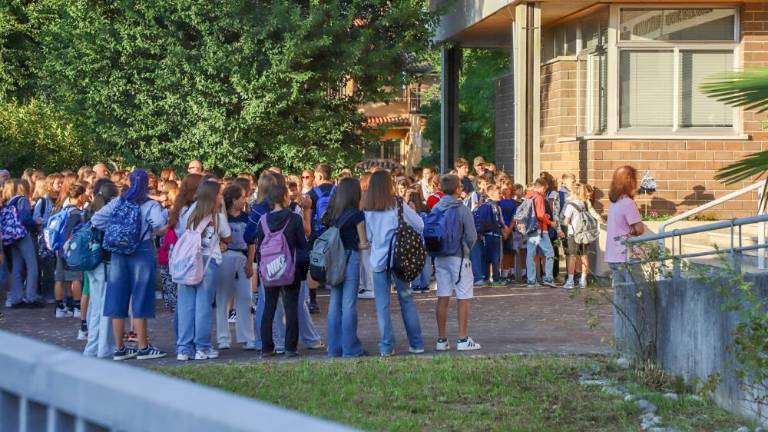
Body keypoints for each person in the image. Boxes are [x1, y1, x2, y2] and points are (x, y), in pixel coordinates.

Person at [91, 169, 167, 361]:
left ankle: (120, 348)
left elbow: (96, 219)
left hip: (118, 252)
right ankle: (143, 347)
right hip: (142, 251)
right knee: (141, 297)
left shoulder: (119, 201)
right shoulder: (150, 204)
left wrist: (116, 232)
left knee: (117, 297)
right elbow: (159, 227)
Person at [362, 170, 424, 357]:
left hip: (378, 261)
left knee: (382, 305)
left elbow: (370, 237)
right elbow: (420, 224)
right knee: (406, 299)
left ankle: (386, 346)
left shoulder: (368, 209)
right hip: (400, 258)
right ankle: (416, 343)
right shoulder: (398, 204)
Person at [174, 180, 231, 361]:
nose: (222, 196)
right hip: (207, 263)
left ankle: (184, 348)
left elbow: (182, 232)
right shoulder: (217, 217)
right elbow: (228, 237)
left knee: (185, 306)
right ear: (214, 197)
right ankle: (202, 347)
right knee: (203, 307)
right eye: (220, 194)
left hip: (186, 263)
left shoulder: (189, 212)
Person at [255, 184, 309, 358]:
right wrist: (303, 271)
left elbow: (258, 247)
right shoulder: (294, 219)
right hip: (290, 269)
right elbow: (302, 246)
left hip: (269, 269)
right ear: (285, 197)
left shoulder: (262, 220)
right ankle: (290, 348)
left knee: (269, 307)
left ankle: (266, 347)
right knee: (291, 307)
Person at [432, 174, 481, 351]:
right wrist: (465, 249)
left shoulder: (436, 208)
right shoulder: (462, 209)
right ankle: (462, 338)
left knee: (442, 296)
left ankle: (441, 339)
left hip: (440, 256)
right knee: (463, 296)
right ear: (457, 189)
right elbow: (471, 236)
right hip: (459, 257)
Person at [321, 177, 367, 357]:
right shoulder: (357, 215)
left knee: (334, 303)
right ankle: (351, 348)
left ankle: (334, 348)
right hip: (350, 258)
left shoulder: (333, 214)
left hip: (333, 260)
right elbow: (363, 243)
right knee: (349, 305)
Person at [215, 184, 256, 351]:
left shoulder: (247, 217)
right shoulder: (222, 217)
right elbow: (220, 231)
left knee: (245, 297)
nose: (244, 200)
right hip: (226, 257)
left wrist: (250, 262)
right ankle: (223, 337)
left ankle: (247, 336)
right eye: (241, 197)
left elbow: (252, 242)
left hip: (243, 256)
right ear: (233, 200)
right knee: (223, 298)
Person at [83, 180, 119, 358]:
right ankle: (104, 346)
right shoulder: (108, 212)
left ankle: (92, 346)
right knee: (105, 306)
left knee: (95, 306)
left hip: (91, 263)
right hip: (104, 262)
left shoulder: (89, 209)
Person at [2, 179, 43, 308]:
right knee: (32, 266)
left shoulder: (10, 202)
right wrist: (35, 222)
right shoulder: (23, 200)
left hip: (12, 237)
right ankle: (31, 296)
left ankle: (16, 297)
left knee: (16, 267)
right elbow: (25, 218)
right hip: (23, 235)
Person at [605, 166, 644, 283]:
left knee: (621, 295)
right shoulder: (628, 203)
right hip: (626, 255)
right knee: (638, 293)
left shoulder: (614, 203)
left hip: (612, 255)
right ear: (630, 181)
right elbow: (639, 229)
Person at [305, 163, 335, 314]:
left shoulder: (312, 193)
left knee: (314, 266)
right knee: (337, 264)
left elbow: (308, 216)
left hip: (317, 234)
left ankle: (313, 301)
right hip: (336, 233)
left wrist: (309, 233)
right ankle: (337, 299)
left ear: (320, 176)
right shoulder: (339, 191)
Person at [525, 178, 558, 287]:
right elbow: (539, 215)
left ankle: (531, 281)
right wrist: (550, 222)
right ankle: (548, 278)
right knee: (550, 253)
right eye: (544, 189)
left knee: (531, 254)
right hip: (540, 229)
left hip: (531, 229)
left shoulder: (528, 196)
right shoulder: (539, 197)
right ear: (540, 187)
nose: (544, 191)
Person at [562, 184, 594, 290]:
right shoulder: (584, 204)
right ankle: (583, 281)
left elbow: (566, 222)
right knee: (584, 256)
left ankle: (570, 281)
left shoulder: (570, 205)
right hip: (584, 234)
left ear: (573, 193)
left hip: (573, 234)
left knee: (572, 257)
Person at [476, 184, 506, 286]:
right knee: (495, 258)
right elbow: (498, 220)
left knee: (486, 258)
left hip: (485, 235)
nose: (501, 195)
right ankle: (496, 279)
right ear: (492, 194)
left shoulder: (482, 205)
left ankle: (486, 278)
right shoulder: (494, 205)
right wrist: (503, 228)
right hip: (495, 235)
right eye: (499, 193)